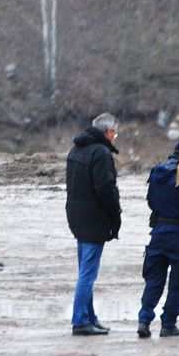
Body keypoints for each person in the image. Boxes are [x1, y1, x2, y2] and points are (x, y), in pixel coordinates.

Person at [137, 139, 179, 338]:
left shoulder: (157, 172)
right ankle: (168, 324)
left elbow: (150, 201)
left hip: (157, 233)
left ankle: (144, 320)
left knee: (154, 280)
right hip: (178, 235)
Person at [66, 112, 122, 336]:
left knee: (85, 270)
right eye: (115, 132)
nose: (115, 136)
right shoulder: (101, 153)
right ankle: (80, 321)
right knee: (87, 273)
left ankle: (89, 317)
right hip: (93, 219)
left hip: (77, 217)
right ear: (108, 132)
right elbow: (105, 189)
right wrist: (115, 214)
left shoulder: (76, 149)